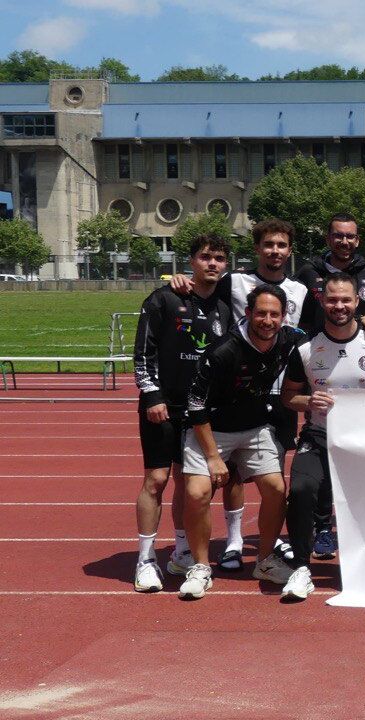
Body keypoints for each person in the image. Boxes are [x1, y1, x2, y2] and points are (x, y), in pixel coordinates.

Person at [168, 219, 310, 570]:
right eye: (268, 244)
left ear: (290, 251)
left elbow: (321, 330)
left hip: (272, 397)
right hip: (225, 392)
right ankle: (225, 544)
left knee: (274, 480)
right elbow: (202, 288)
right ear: (257, 248)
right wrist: (181, 280)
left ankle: (266, 549)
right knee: (221, 477)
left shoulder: (300, 291)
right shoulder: (234, 282)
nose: (275, 250)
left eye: (281, 245)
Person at [279, 273, 365, 601]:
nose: (339, 306)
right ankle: (301, 567)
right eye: (332, 299)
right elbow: (288, 397)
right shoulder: (305, 348)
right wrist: (309, 401)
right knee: (302, 489)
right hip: (320, 435)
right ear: (322, 301)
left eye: (346, 299)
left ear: (357, 301)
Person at [178, 285, 300, 599]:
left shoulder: (290, 338)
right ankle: (200, 567)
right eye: (261, 313)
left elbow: (327, 335)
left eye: (274, 314)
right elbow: (195, 403)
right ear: (247, 313)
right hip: (211, 428)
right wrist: (213, 457)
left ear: (283, 317)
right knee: (197, 491)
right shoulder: (222, 351)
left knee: (276, 488)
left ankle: (265, 561)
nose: (268, 321)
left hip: (254, 426)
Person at [131, 234, 232, 592]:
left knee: (187, 482)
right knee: (156, 480)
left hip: (199, 412)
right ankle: (145, 560)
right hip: (163, 406)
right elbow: (143, 352)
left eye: (219, 258)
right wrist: (152, 394)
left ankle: (181, 551)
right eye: (205, 257)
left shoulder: (224, 308)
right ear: (191, 261)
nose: (212, 263)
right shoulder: (163, 299)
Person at [296, 213, 365, 336]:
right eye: (338, 236)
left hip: (361, 346)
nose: (344, 242)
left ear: (357, 241)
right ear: (328, 239)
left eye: (350, 236)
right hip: (317, 346)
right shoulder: (308, 273)